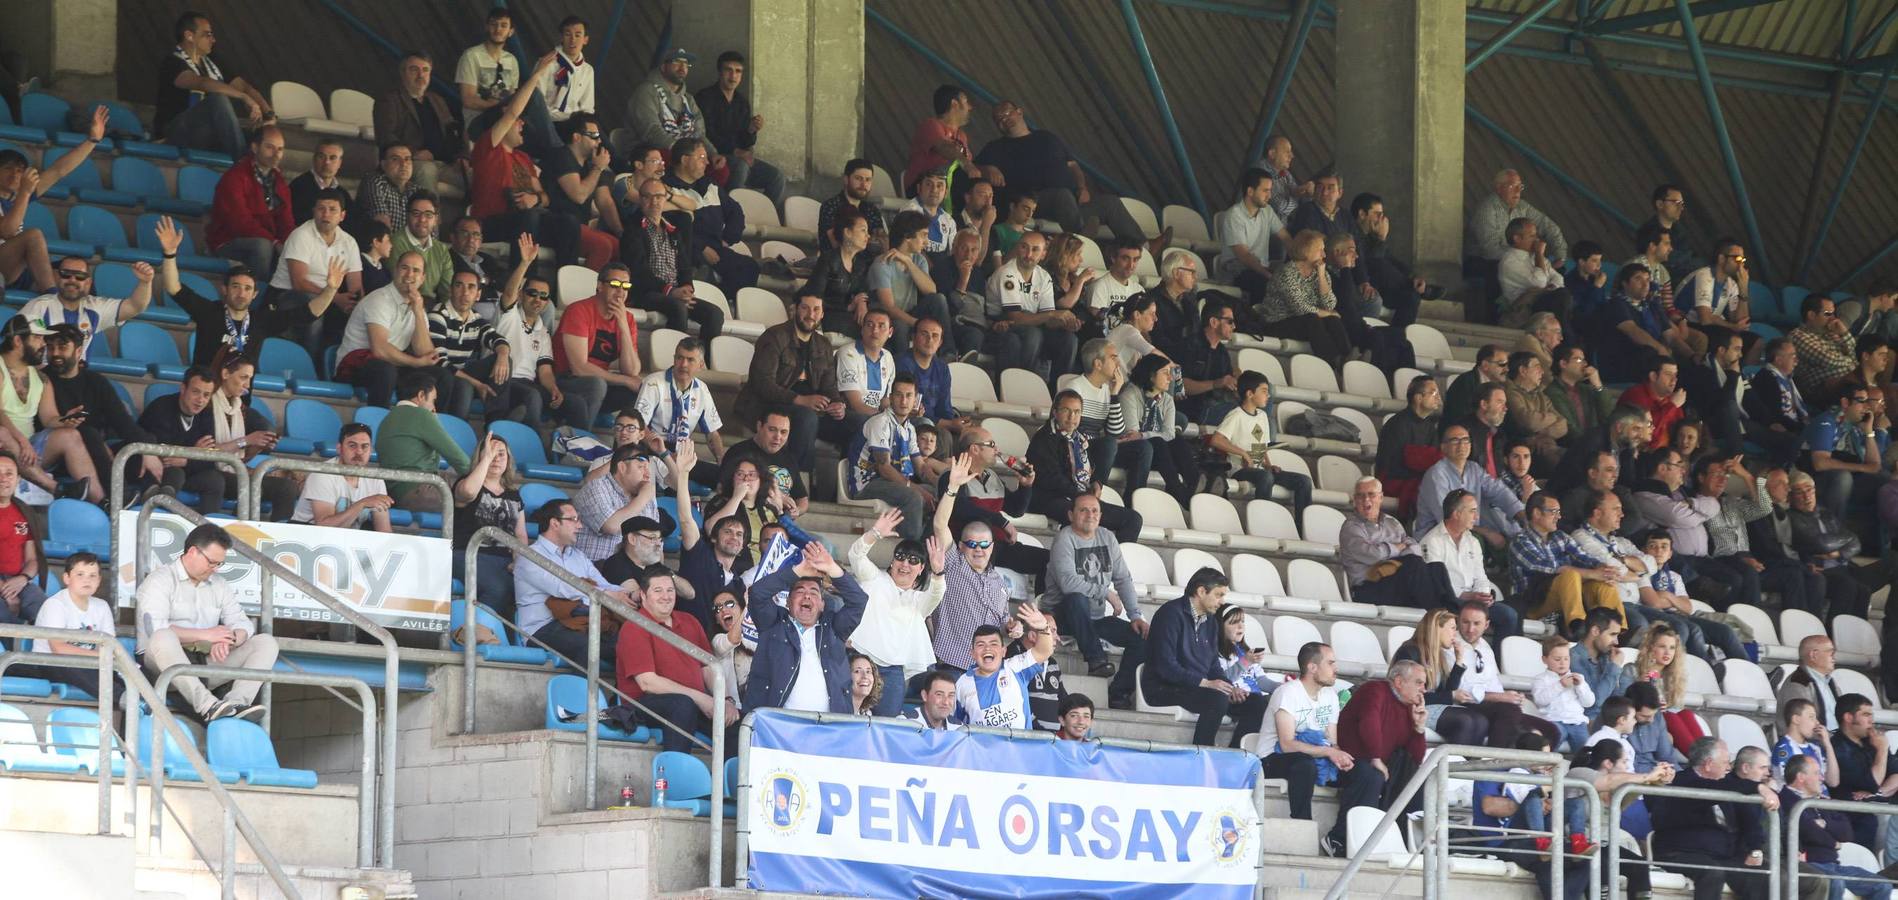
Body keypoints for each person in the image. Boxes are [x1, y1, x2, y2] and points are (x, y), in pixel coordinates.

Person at [134, 523, 279, 722]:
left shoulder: (219, 584)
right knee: (163, 636)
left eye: (219, 564)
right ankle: (208, 706)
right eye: (211, 562)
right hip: (159, 665)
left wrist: (230, 638)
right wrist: (207, 635)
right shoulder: (160, 579)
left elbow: (243, 623)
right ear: (193, 551)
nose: (214, 569)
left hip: (204, 659)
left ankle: (236, 703)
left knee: (265, 642)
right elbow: (155, 628)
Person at [469, 51, 581, 267]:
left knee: (569, 222)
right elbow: (511, 113)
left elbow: (544, 196)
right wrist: (537, 75)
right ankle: (523, 286)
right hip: (491, 220)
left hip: (527, 219)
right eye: (519, 121)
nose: (522, 125)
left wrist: (535, 200)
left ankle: (561, 287)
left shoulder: (523, 157)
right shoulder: (489, 147)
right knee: (529, 218)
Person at [615, 565, 736, 754]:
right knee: (682, 705)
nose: (666, 596)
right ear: (643, 595)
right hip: (644, 704)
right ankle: (674, 775)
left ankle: (724, 781)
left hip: (693, 703)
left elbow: (708, 667)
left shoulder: (689, 621)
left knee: (740, 722)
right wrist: (700, 698)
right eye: (658, 590)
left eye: (670, 590)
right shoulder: (634, 626)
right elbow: (648, 683)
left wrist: (725, 700)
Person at [1142, 567, 1268, 747]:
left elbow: (1213, 667)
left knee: (1256, 702)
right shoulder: (1170, 614)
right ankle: (1203, 751)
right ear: (1201, 591)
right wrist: (1207, 684)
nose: (1222, 601)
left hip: (1196, 688)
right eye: (1219, 595)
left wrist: (1229, 687)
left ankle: (1236, 756)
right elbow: (1166, 667)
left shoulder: (1210, 622)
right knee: (1216, 697)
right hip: (1164, 688)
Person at [744, 541, 870, 713]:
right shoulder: (773, 623)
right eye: (800, 591)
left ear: (822, 604)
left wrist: (832, 568)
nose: (807, 596)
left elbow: (858, 601)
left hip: (827, 727)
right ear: (788, 602)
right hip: (777, 727)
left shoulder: (835, 628)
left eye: (813, 592)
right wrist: (798, 571)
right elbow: (757, 593)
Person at [850, 503, 951, 717]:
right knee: (849, 718)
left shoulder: (918, 600)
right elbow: (856, 556)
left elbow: (936, 593)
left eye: (914, 560)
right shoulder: (874, 578)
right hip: (860, 660)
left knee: (886, 726)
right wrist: (875, 533)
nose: (905, 563)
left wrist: (938, 572)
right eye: (901, 556)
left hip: (893, 671)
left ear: (922, 568)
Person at [1049, 492, 1147, 707]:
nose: (1089, 515)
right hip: (1063, 617)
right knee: (1077, 598)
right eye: (1083, 510)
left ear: (1101, 516)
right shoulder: (1064, 539)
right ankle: (1096, 660)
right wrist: (1106, 593)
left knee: (1141, 636)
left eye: (1094, 510)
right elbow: (1068, 584)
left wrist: (1135, 615)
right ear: (1071, 514)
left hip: (1094, 620)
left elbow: (1123, 579)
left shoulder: (1107, 537)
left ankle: (1119, 692)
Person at [1327, 659, 1431, 857]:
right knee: (1371, 773)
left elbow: (1414, 759)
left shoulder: (1409, 707)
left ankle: (1410, 842)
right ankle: (1339, 838)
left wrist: (1419, 728)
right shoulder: (1374, 689)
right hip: (1344, 762)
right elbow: (1369, 723)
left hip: (1376, 767)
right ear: (1399, 681)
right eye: (1419, 682)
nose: (1423, 689)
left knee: (1417, 778)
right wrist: (1376, 757)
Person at [514, 499, 637, 666]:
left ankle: (617, 693)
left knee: (631, 643)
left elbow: (603, 584)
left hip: (581, 622)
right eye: (573, 520)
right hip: (542, 628)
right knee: (587, 646)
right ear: (555, 523)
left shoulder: (578, 556)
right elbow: (562, 587)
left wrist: (631, 594)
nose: (580, 526)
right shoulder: (530, 555)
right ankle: (581, 692)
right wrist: (607, 595)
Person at [1650, 737, 1773, 900]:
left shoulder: (1724, 785)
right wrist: (1758, 787)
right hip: (1680, 852)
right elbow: (1710, 788)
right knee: (1712, 872)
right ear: (1708, 764)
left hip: (1720, 856)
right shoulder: (1683, 780)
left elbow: (1749, 821)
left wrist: (1753, 850)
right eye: (1725, 762)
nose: (1729, 767)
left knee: (1762, 874)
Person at [739, 291, 844, 472]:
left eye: (816, 309)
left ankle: (852, 488)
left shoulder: (824, 344)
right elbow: (762, 383)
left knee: (856, 423)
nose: (811, 315)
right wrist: (801, 400)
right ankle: (796, 483)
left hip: (812, 409)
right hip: (769, 406)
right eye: (805, 308)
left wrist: (837, 403)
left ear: (822, 314)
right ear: (794, 309)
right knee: (806, 418)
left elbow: (829, 386)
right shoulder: (774, 336)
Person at [1509, 491, 1631, 638]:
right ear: (1536, 513)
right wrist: (1592, 573)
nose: (1559, 517)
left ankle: (1618, 631)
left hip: (1564, 599)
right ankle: (1577, 627)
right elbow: (1550, 568)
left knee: (1603, 584)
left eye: (1559, 512)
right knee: (1569, 574)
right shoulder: (1520, 541)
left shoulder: (1561, 537)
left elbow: (1584, 558)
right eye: (1554, 512)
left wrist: (1602, 569)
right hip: (1533, 603)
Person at [1026, 391, 1144, 542]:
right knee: (1082, 518)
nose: (1071, 417)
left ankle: (1112, 563)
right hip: (1050, 498)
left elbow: (1090, 467)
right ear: (1055, 412)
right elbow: (1052, 479)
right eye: (1066, 410)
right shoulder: (1044, 438)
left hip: (1078, 497)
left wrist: (1097, 482)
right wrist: (1082, 496)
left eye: (1076, 412)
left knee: (1133, 519)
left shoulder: (1079, 438)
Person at [155, 11, 271, 160]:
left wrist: (267, 112)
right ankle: (241, 168)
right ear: (189, 36)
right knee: (218, 101)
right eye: (207, 35)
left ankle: (265, 179)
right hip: (175, 133)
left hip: (207, 134)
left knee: (264, 138)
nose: (213, 40)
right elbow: (201, 82)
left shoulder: (213, 61)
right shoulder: (172, 62)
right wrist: (243, 97)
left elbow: (243, 86)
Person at [1257, 641, 1352, 822]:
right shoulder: (1288, 692)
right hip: (1271, 759)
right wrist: (1329, 751)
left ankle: (1342, 835)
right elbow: (1287, 745)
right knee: (1304, 764)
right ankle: (1302, 823)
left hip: (1315, 757)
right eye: (1330, 663)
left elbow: (1332, 742)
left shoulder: (1330, 696)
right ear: (1312, 667)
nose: (1336, 668)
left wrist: (1340, 756)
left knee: (1364, 773)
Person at [333, 251, 438, 407]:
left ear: (422, 278)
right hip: (354, 366)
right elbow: (379, 350)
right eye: (404, 268)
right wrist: (416, 363)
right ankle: (377, 424)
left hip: (392, 364)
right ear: (395, 271)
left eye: (416, 270)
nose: (409, 274)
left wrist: (417, 312)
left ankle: (424, 427)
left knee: (440, 376)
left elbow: (425, 353)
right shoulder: (379, 299)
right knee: (385, 371)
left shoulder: (418, 306)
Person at [1781, 754, 1892, 900]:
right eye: (1816, 773)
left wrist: (1824, 824)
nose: (1822, 778)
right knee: (1836, 883)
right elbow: (1809, 831)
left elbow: (1847, 833)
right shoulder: (1785, 799)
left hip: (1833, 865)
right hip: (1809, 865)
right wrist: (1834, 842)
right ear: (1801, 777)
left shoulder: (1822, 801)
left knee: (1882, 885)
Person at [844, 372, 931, 539]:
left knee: (934, 493)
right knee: (914, 497)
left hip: (890, 483)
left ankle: (926, 548)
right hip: (867, 483)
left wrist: (941, 482)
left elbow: (920, 466)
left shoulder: (909, 428)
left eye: (908, 396)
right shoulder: (880, 422)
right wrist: (915, 488)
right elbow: (883, 468)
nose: (904, 401)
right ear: (890, 398)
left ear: (915, 400)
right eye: (898, 395)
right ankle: (910, 552)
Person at [457, 7, 556, 155]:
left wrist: (508, 107)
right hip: (478, 122)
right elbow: (468, 100)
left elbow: (513, 96)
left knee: (530, 126)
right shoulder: (472, 56)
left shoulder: (511, 61)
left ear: (511, 31)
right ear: (487, 27)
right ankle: (557, 149)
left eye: (503, 25)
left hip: (505, 117)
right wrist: (499, 105)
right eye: (494, 24)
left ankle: (546, 158)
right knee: (532, 94)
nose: (498, 29)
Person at [1419, 491, 1520, 636]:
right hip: (1446, 603)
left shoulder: (1473, 541)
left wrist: (1484, 595)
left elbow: (1480, 576)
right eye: (1472, 511)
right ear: (1456, 514)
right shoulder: (1432, 541)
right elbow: (1436, 585)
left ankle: (1496, 658)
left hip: (1472, 602)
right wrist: (1466, 596)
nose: (1477, 516)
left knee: (1509, 615)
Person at [1343, 476, 1456, 605]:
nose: (1366, 500)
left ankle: (1451, 610)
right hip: (1368, 588)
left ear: (1380, 498)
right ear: (1355, 500)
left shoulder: (1392, 522)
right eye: (1360, 496)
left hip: (1396, 581)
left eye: (1371, 495)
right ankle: (1437, 614)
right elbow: (1373, 555)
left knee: (1437, 568)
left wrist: (1394, 552)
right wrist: (1397, 548)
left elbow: (1414, 548)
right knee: (1413, 566)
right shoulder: (1351, 527)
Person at [987, 231, 1083, 381]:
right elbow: (1015, 318)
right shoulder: (1007, 273)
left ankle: (1058, 393)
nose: (1028, 254)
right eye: (1024, 247)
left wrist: (1065, 323)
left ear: (1043, 254)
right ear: (1017, 248)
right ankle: (1024, 385)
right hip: (999, 325)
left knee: (1069, 340)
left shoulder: (1043, 276)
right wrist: (1052, 315)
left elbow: (1048, 321)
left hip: (1030, 324)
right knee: (1034, 335)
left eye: (1035, 249)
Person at [453, 433, 528, 622]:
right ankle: (477, 633)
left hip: (503, 559)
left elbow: (520, 535)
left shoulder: (514, 495)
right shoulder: (466, 482)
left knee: (526, 589)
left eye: (501, 453)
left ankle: (509, 640)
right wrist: (486, 459)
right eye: (490, 453)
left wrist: (518, 562)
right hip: (469, 554)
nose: (496, 458)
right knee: (498, 588)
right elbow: (468, 493)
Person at [555, 263, 644, 421]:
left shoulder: (627, 318)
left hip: (598, 382)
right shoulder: (579, 311)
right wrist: (624, 380)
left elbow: (632, 371)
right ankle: (582, 437)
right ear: (600, 286)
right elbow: (579, 368)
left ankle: (624, 443)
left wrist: (623, 326)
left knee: (638, 389)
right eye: (615, 284)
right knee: (597, 385)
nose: (620, 291)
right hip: (564, 381)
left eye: (626, 286)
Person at [373, 370, 472, 511]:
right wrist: (480, 479)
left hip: (395, 492)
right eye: (433, 400)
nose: (434, 407)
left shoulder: (387, 419)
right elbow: (458, 458)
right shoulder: (421, 415)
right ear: (420, 395)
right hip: (419, 492)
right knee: (474, 491)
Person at [21, 255, 154, 358]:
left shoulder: (95, 307)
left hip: (77, 380)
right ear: (57, 278)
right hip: (42, 378)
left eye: (80, 276)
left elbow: (135, 306)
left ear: (88, 283)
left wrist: (145, 282)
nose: (72, 280)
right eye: (66, 274)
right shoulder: (38, 307)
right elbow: (18, 346)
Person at [1785, 470, 1874, 622]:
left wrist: (1838, 553)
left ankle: (1856, 638)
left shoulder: (1826, 513)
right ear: (1790, 496)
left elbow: (1856, 543)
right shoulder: (1791, 517)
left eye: (1809, 490)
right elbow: (1821, 544)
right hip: (1822, 569)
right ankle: (1833, 632)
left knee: (1865, 588)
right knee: (1848, 585)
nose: (1807, 497)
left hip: (1843, 565)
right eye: (1800, 492)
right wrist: (1848, 539)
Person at [634, 337, 725, 485]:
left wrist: (721, 460)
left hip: (681, 454)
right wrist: (665, 455)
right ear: (674, 358)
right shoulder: (654, 383)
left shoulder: (702, 389)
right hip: (652, 448)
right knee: (667, 478)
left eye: (690, 360)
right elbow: (638, 426)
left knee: (725, 477)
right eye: (680, 358)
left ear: (701, 365)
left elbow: (712, 433)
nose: (683, 364)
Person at [207, 126, 294, 278]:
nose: (276, 155)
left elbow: (286, 221)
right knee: (262, 246)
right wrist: (274, 242)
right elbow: (240, 223)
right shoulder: (235, 177)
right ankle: (258, 297)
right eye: (269, 147)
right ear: (254, 147)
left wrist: (291, 243)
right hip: (229, 240)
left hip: (267, 240)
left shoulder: (279, 182)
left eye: (280, 149)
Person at [1258, 230, 1351, 370]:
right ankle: (1334, 361)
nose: (1324, 255)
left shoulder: (1321, 272)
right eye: (1320, 250)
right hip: (1276, 323)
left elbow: (1330, 304)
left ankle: (1349, 358)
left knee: (1333, 320)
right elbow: (1301, 309)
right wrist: (1329, 313)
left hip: (1302, 321)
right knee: (1312, 319)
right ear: (1306, 251)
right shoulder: (1287, 273)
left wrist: (1320, 276)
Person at [1414, 424, 1523, 540]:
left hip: (1469, 530)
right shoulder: (1436, 474)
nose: (1461, 445)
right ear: (1443, 447)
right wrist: (1486, 532)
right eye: (1455, 441)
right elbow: (1448, 519)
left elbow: (1498, 491)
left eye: (1466, 440)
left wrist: (1521, 513)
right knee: (1483, 540)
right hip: (1437, 537)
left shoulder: (1474, 468)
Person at [955, 607, 1058, 730]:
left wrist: (1043, 628)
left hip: (1019, 748)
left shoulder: (1015, 667)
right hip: (982, 749)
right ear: (972, 653)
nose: (987, 649)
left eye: (993, 644)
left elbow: (1044, 651)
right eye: (981, 645)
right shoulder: (961, 684)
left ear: (1004, 651)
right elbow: (957, 725)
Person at [426, 268, 508, 422]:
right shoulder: (438, 315)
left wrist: (503, 355)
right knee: (465, 386)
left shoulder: (475, 318)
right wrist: (477, 384)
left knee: (505, 360)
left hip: (461, 372)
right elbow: (439, 361)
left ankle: (495, 423)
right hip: (439, 375)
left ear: (478, 294)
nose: (465, 293)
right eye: (459, 286)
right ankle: (457, 432)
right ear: (450, 290)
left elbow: (498, 340)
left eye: (471, 287)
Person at [1116, 353, 1197, 504]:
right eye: (1165, 373)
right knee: (1157, 442)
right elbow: (1130, 435)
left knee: (1177, 441)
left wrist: (1144, 434)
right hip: (1133, 453)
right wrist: (1147, 436)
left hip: (1158, 454)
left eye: (1170, 373)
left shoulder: (1166, 400)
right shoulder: (1130, 394)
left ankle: (1195, 484)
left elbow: (1170, 435)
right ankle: (1176, 489)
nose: (1170, 378)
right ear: (1151, 375)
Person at [1805, 386, 1889, 526]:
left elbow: (1875, 465)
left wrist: (1869, 431)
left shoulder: (1855, 425)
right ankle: (1833, 529)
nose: (1866, 406)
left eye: (1867, 401)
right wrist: (1862, 468)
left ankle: (1884, 538)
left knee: (1884, 478)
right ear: (1845, 403)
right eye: (1861, 401)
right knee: (1843, 477)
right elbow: (1819, 463)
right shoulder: (1827, 421)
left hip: (1843, 481)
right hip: (1811, 478)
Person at [375, 52, 457, 193]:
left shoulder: (437, 100)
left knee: (478, 175)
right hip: (411, 162)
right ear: (402, 73)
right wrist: (413, 153)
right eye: (414, 70)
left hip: (444, 164)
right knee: (426, 170)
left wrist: (463, 157)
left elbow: (454, 132)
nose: (421, 75)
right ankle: (429, 215)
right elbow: (386, 136)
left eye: (425, 70)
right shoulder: (389, 100)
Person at [289, 423, 392, 532]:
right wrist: (362, 504)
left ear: (371, 450)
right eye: (352, 445)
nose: (359, 452)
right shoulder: (323, 474)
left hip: (346, 540)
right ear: (339, 448)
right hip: (306, 535)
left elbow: (384, 531)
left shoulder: (376, 479)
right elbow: (324, 527)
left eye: (364, 446)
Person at [1469, 169, 1569, 272]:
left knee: (1558, 270)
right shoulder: (1487, 209)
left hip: (1515, 260)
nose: (1518, 191)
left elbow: (1548, 226)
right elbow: (1490, 251)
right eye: (1512, 186)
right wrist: (1526, 259)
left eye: (1520, 186)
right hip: (1484, 262)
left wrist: (1560, 256)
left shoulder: (1522, 206)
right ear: (1499, 188)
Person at [1215, 168, 1290, 298]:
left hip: (1260, 268)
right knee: (1265, 285)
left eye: (1270, 190)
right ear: (1250, 191)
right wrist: (1269, 276)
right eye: (1265, 190)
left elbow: (1286, 238)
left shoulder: (1267, 211)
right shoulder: (1234, 215)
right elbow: (1244, 256)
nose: (1270, 196)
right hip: (1236, 271)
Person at [1675, 238, 1756, 359]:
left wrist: (1743, 289)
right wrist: (1733, 327)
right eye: (1737, 259)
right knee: (1727, 339)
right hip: (1686, 323)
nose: (1741, 265)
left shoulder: (1731, 284)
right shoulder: (1704, 275)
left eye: (1743, 260)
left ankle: (1742, 374)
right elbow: (1705, 319)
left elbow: (1741, 321)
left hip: (1709, 325)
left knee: (1755, 341)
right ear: (1722, 258)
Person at [1375, 376, 1444, 518]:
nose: (1438, 398)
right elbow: (1390, 465)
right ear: (1418, 398)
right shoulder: (1397, 424)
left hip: (1418, 479)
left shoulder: (1430, 426)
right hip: (1394, 480)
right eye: (1434, 393)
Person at [807, 204, 876, 335]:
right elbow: (814, 296)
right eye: (863, 230)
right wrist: (848, 306)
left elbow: (863, 291)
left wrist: (862, 303)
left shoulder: (860, 264)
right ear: (847, 232)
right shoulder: (828, 260)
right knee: (869, 332)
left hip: (848, 315)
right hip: (827, 315)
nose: (868, 236)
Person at [627, 47, 707, 156]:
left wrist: (712, 153)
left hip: (686, 153)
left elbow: (700, 133)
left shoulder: (688, 99)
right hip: (650, 153)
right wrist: (682, 151)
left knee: (720, 169)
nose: (682, 68)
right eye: (677, 62)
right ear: (663, 66)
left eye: (686, 64)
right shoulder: (646, 91)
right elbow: (651, 131)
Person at [1495, 217, 1571, 330]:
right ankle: (1564, 335)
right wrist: (1539, 254)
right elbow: (1539, 283)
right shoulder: (1510, 261)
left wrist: (1550, 286)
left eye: (1536, 235)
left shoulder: (1533, 256)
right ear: (1517, 239)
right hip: (1525, 307)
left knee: (1565, 294)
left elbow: (1558, 278)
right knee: (1561, 296)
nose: (1536, 240)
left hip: (1543, 298)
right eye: (1532, 236)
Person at [903, 86, 977, 197]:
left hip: (948, 189)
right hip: (921, 188)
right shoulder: (931, 125)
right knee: (957, 172)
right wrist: (966, 164)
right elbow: (943, 147)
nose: (970, 107)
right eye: (966, 101)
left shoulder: (961, 135)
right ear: (954, 104)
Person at [1176, 299, 1238, 426]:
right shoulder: (1188, 346)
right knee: (1244, 415)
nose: (1234, 326)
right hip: (1192, 409)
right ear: (1214, 322)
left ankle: (1261, 446)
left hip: (1215, 404)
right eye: (1230, 322)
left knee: (1260, 407)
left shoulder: (1222, 352)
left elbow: (1227, 381)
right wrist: (1216, 384)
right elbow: (1180, 386)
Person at [388, 192, 450, 309]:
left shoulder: (441, 249)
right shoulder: (395, 243)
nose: (422, 219)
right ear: (407, 216)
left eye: (428, 214)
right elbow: (401, 286)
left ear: (436, 219)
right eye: (416, 214)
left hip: (432, 307)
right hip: (401, 305)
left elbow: (448, 291)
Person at [1531, 637, 1595, 752]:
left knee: (1585, 749)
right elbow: (1540, 700)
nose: (1562, 663)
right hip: (1553, 721)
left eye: (1566, 659)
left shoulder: (1579, 678)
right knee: (1552, 742)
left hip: (1577, 723)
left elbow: (1589, 703)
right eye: (1557, 659)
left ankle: (1580, 768)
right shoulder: (1541, 679)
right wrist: (1560, 685)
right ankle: (1545, 766)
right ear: (1544, 659)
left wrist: (1580, 686)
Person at [819, 159, 888, 253]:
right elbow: (837, 245)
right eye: (858, 178)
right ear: (846, 179)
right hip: (837, 263)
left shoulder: (872, 209)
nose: (863, 184)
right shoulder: (830, 206)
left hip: (869, 263)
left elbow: (882, 244)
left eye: (868, 180)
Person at [1778, 634, 1844, 732]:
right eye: (1830, 653)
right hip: (1816, 743)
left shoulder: (1830, 682)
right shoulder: (1798, 683)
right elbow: (1803, 729)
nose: (1834, 658)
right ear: (1814, 655)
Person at [540, 16, 596, 126]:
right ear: (561, 37)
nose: (573, 40)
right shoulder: (547, 63)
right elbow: (536, 102)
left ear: (585, 40)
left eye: (578, 35)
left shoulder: (587, 70)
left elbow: (588, 108)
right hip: (546, 121)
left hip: (573, 124)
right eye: (568, 34)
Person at [355, 144, 421, 237]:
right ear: (383, 164)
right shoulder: (375, 182)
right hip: (379, 246)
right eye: (395, 159)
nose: (404, 164)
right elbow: (382, 222)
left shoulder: (417, 191)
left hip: (408, 249)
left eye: (407, 159)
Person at [288, 141, 350, 226]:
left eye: (332, 158)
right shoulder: (298, 187)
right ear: (314, 159)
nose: (327, 162)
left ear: (339, 163)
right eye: (321, 157)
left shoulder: (343, 194)